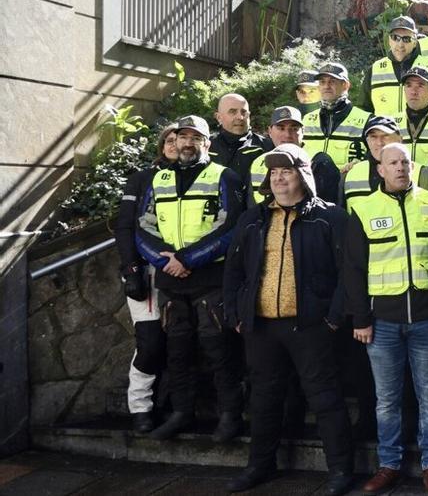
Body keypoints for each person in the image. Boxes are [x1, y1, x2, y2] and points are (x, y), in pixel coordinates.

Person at [221, 144, 355, 496]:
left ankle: (341, 470)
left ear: (303, 175)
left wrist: (332, 319)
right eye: (274, 172)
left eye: (287, 171)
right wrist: (235, 314)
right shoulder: (252, 218)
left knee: (325, 398)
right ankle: (259, 466)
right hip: (262, 327)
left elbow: (348, 274)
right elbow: (234, 270)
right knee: (263, 399)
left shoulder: (331, 217)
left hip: (312, 326)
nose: (279, 178)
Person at [344, 142, 428, 495]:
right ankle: (389, 464)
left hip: (427, 317)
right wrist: (361, 318)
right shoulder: (362, 208)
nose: (401, 168)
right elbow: (354, 269)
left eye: (405, 162)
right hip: (382, 321)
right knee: (387, 399)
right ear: (380, 169)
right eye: (393, 163)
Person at [135, 115, 244, 442]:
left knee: (219, 349)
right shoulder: (159, 179)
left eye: (195, 138)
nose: (187, 143)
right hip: (171, 282)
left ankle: (230, 415)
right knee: (177, 352)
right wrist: (164, 260)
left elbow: (230, 228)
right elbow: (143, 228)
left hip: (210, 279)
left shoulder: (224, 176)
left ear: (207, 143)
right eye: (182, 137)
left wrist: (186, 259)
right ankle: (182, 412)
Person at [114, 124, 176, 433]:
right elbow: (124, 226)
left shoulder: (201, 179)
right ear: (162, 144)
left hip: (184, 271)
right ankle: (140, 406)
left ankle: (167, 404)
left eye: (186, 139)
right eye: (171, 139)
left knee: (179, 342)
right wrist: (131, 269)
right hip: (146, 270)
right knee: (151, 341)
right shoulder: (141, 179)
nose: (178, 144)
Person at [246, 106, 341, 206]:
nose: (287, 135)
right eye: (281, 128)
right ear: (270, 131)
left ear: (303, 131)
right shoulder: (257, 163)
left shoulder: (319, 161)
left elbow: (326, 211)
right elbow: (251, 207)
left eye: (294, 128)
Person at [342, 115, 428, 209]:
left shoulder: (422, 175)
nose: (379, 142)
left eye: (385, 136)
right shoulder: (350, 174)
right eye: (373, 137)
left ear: (400, 139)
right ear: (367, 141)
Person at [362, 15, 428, 117]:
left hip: (419, 131)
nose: (400, 44)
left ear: (415, 42)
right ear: (389, 40)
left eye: (406, 39)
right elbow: (363, 108)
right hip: (384, 131)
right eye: (395, 38)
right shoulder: (375, 69)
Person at [303, 62, 371, 171]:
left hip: (348, 185)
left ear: (345, 85)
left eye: (332, 82)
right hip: (312, 186)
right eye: (322, 82)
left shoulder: (366, 120)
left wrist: (361, 164)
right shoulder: (306, 120)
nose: (326, 86)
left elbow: (377, 155)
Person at [208, 93, 267, 184]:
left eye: (244, 112)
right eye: (233, 112)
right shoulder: (207, 146)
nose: (240, 117)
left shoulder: (266, 147)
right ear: (219, 117)